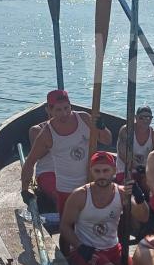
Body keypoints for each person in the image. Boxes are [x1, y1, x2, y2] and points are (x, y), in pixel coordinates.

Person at [60, 152, 149, 265]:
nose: (101, 175)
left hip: (113, 248)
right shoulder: (80, 195)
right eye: (97, 171)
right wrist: (80, 247)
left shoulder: (122, 193)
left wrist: (139, 197)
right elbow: (65, 227)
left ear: (114, 171)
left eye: (106, 171)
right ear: (91, 171)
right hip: (87, 250)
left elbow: (143, 217)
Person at [21, 90, 112, 221]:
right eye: (58, 110)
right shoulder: (46, 133)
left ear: (71, 106)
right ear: (49, 111)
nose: (64, 114)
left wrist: (102, 127)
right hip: (65, 186)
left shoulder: (84, 119)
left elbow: (107, 141)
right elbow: (30, 162)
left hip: (89, 178)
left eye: (66, 108)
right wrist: (24, 190)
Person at [116, 105, 154, 183]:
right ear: (136, 117)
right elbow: (122, 153)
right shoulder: (126, 130)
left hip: (146, 170)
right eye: (141, 118)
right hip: (125, 170)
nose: (145, 120)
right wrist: (137, 167)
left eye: (148, 118)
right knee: (130, 185)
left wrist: (147, 169)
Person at [28, 111, 57, 208]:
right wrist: (53, 141)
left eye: (66, 108)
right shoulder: (37, 130)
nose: (62, 113)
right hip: (48, 172)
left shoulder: (76, 127)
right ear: (48, 109)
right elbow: (37, 156)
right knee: (57, 195)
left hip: (70, 171)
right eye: (56, 109)